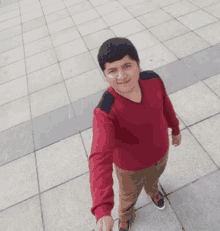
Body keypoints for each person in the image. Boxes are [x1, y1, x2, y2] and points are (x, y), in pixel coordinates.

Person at [89, 37, 182, 231]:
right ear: (105, 75)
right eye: (112, 71)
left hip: (160, 154)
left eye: (127, 66)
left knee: (154, 179)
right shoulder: (104, 111)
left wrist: (175, 129)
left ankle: (153, 191)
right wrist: (103, 210)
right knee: (128, 196)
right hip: (130, 169)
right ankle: (126, 216)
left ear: (138, 65)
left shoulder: (153, 80)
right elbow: (99, 158)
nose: (121, 76)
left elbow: (166, 105)